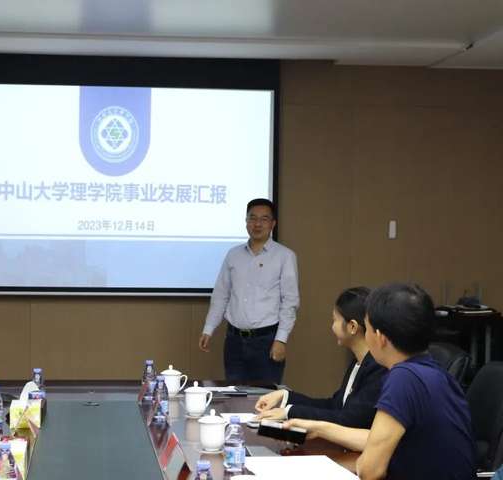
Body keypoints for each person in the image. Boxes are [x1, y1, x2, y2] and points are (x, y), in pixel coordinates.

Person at [283, 283, 476, 480]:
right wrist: (320, 429)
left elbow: (370, 471)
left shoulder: (403, 378)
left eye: (367, 328)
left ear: (380, 337)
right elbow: (377, 439)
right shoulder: (436, 373)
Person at [199, 198, 299, 383]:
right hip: (234, 341)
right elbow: (221, 294)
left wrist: (281, 340)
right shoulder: (233, 255)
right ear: (246, 221)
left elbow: (290, 302)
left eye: (264, 219)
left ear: (273, 224)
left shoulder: (285, 256)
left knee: (265, 396)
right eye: (252, 218)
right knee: (233, 394)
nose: (257, 224)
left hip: (267, 340)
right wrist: (209, 328)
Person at [254, 287, 386, 428]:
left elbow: (350, 420)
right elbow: (334, 406)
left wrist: (289, 412)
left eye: (335, 320)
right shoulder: (358, 362)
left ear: (352, 326)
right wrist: (285, 396)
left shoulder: (377, 368)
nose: (332, 327)